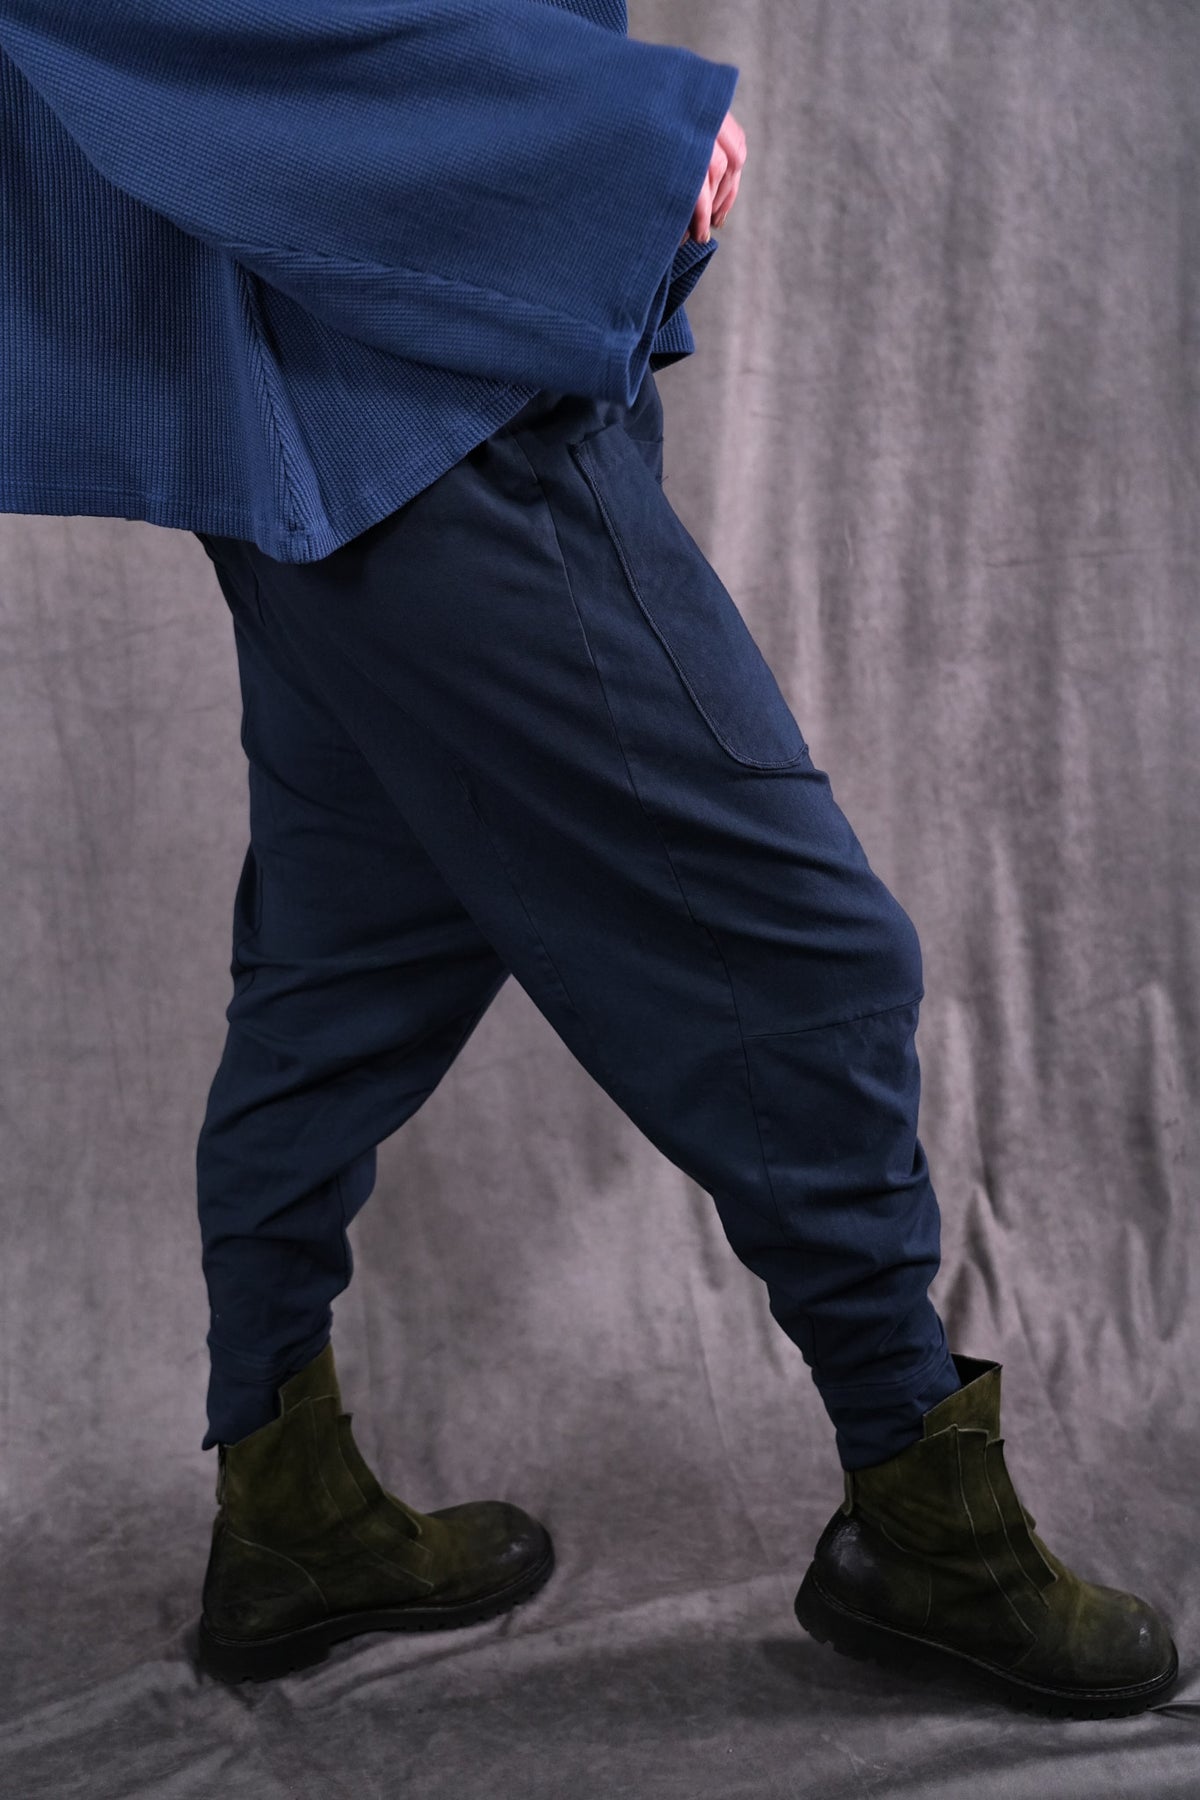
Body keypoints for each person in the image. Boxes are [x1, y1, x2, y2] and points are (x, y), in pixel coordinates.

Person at [0, 0, 1178, 1718]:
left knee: (343, 969)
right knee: (806, 956)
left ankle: (289, 1517)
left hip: (365, 359)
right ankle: (930, 1534)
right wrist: (588, 114)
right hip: (412, 374)